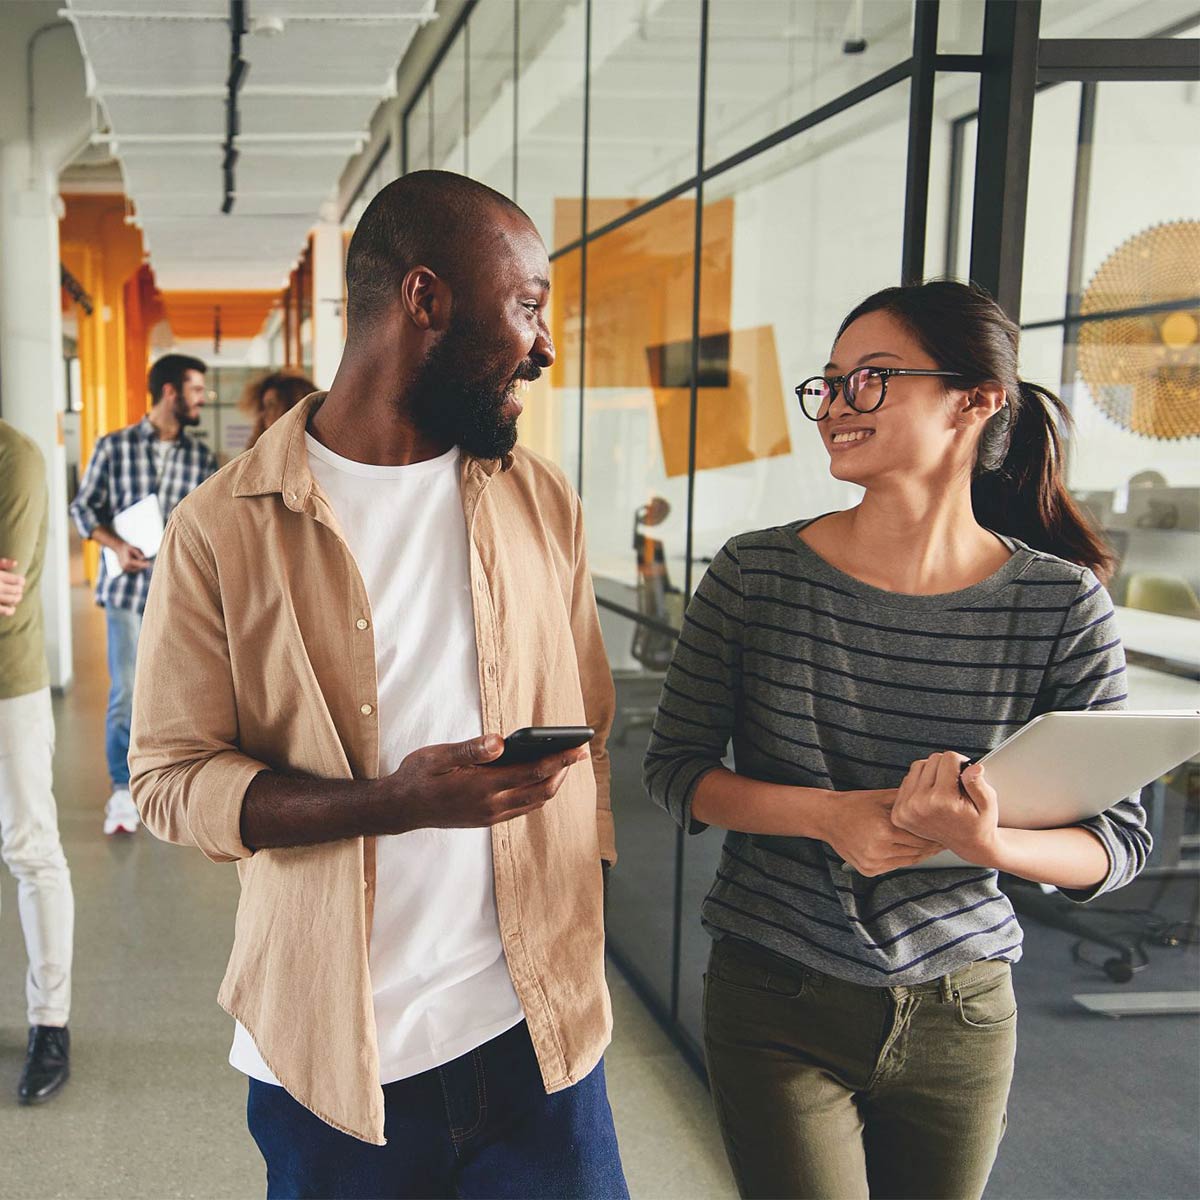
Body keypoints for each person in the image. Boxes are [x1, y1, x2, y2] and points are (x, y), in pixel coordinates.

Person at [128, 171, 626, 1199]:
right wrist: (397, 803)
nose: (543, 343)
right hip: (332, 1068)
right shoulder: (222, 529)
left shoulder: (541, 502)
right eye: (528, 303)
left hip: (539, 1043)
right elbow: (170, 780)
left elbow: (592, 734)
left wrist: (585, 905)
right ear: (426, 299)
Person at [644, 280, 1151, 1200]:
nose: (836, 406)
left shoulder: (1059, 604)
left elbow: (1115, 847)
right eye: (829, 383)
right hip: (775, 990)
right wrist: (830, 817)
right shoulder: (757, 574)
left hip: (962, 1008)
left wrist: (987, 844)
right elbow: (676, 771)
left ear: (976, 399)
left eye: (871, 380)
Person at [69, 354, 217, 835]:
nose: (202, 399)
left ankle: (167, 783)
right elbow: (83, 507)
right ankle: (121, 791)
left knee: (181, 693)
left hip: (181, 597)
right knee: (127, 692)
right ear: (170, 392)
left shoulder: (201, 458)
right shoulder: (112, 447)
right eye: (196, 390)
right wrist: (115, 544)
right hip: (126, 591)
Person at [0, 420, 75, 1104]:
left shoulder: (14, 458)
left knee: (30, 849)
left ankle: (51, 1022)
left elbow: (4, 599)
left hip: (7, 688)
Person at [238, 369, 317, 449]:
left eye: (271, 405)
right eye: (263, 407)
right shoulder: (261, 449)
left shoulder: (314, 444)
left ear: (292, 406)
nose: (263, 413)